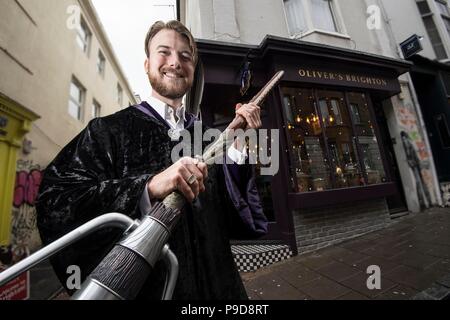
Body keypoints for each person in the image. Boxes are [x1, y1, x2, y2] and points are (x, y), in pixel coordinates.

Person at [36, 20, 267, 300]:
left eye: (185, 56)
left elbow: (234, 217)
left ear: (193, 69)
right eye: (164, 52)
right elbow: (57, 201)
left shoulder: (207, 138)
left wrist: (239, 142)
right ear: (147, 64)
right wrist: (146, 188)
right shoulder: (108, 132)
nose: (175, 62)